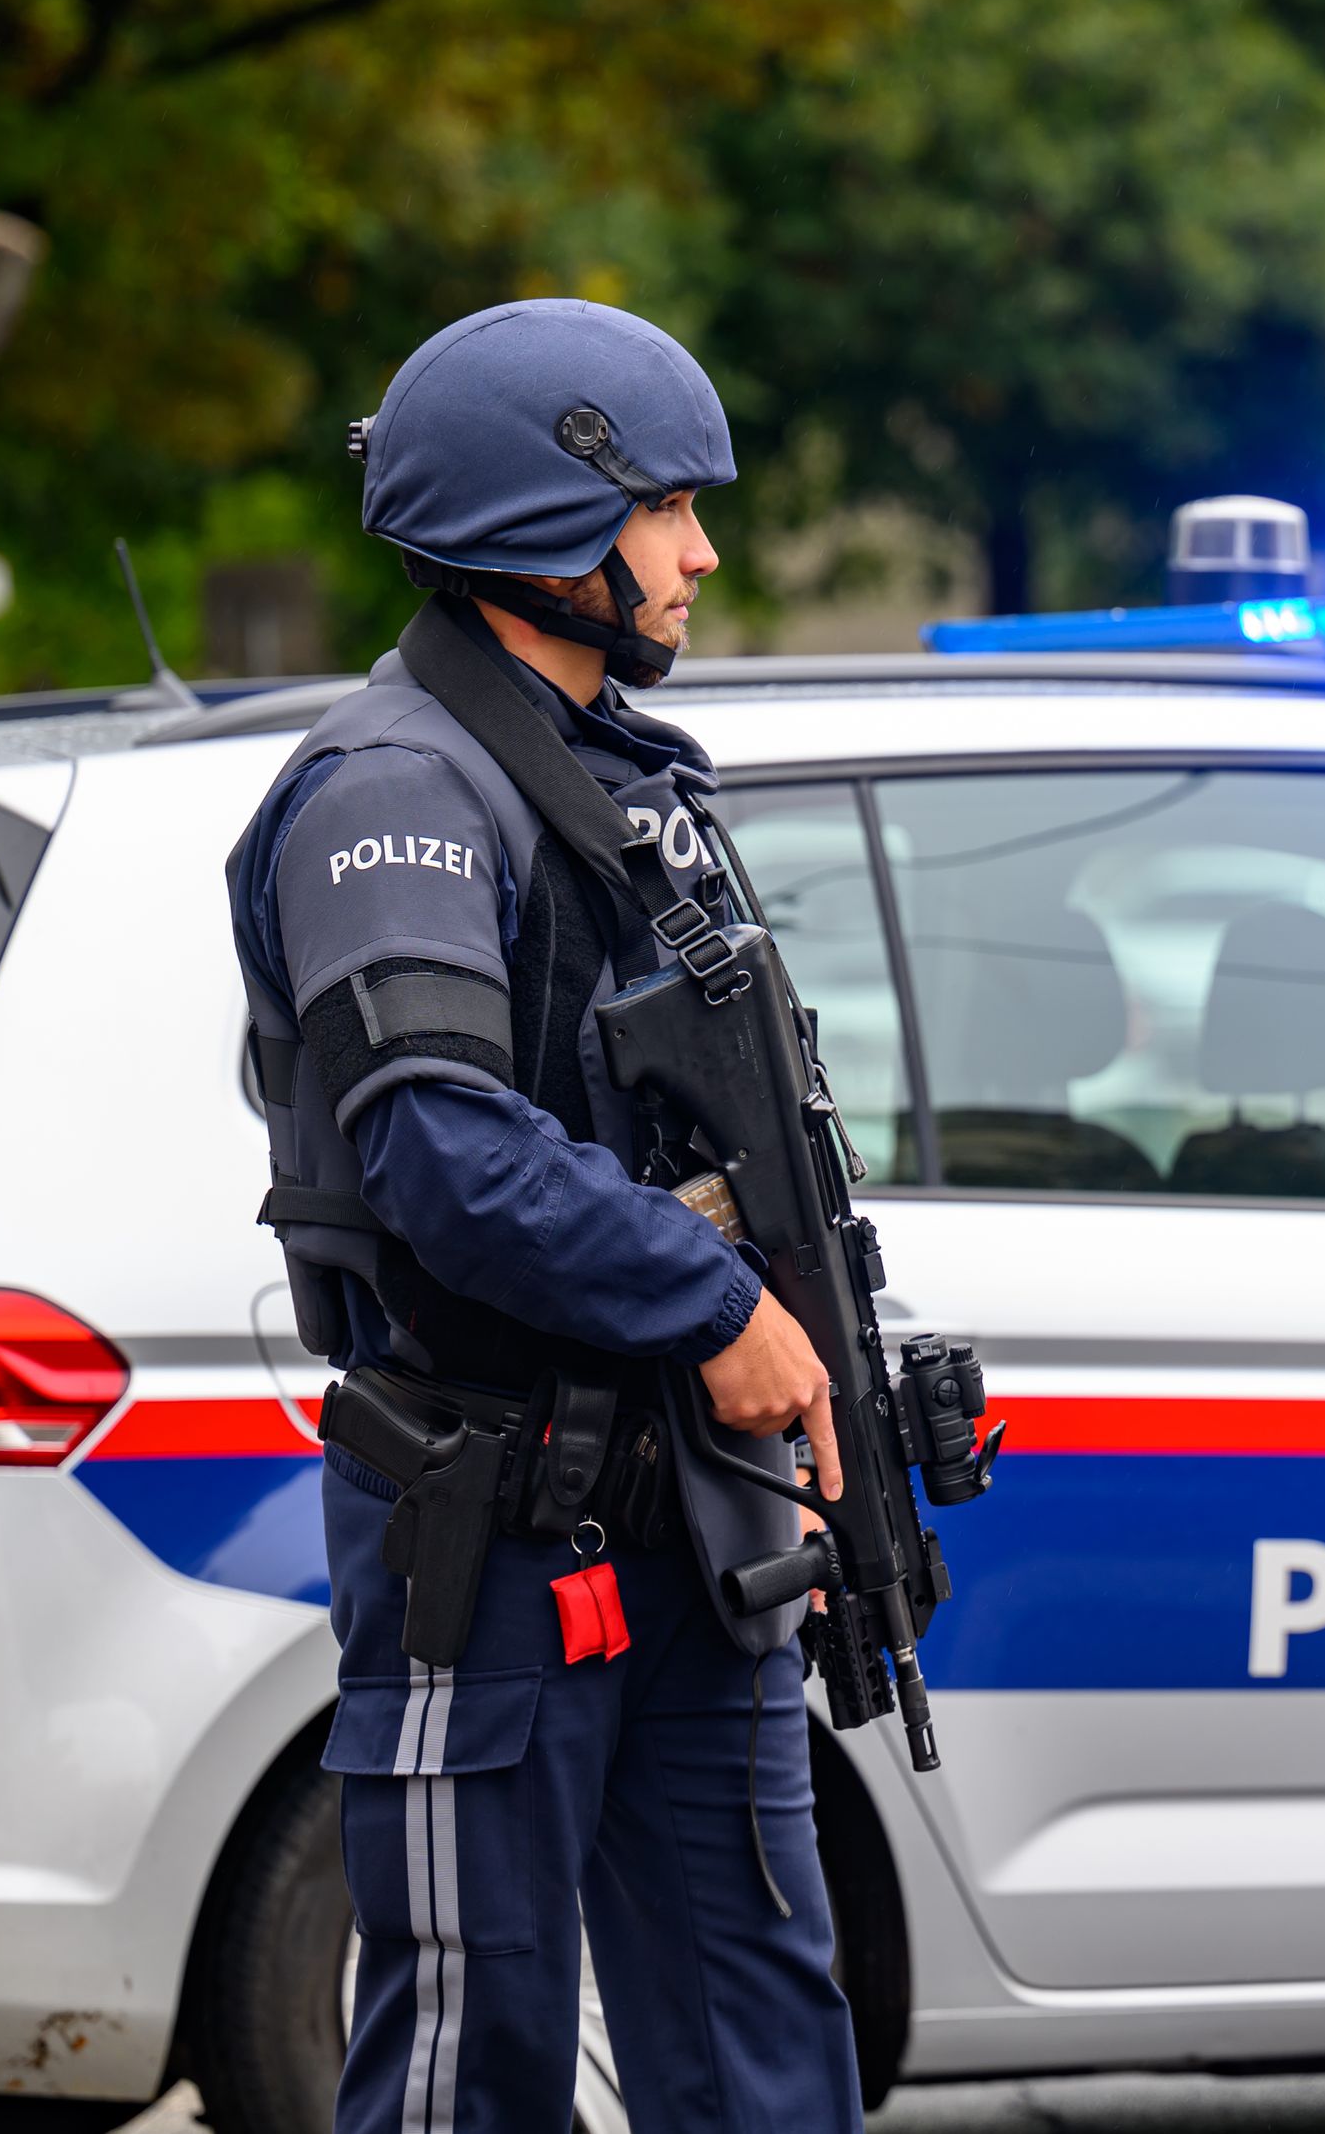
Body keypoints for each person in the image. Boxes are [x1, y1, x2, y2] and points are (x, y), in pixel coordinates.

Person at [224, 298, 865, 2134]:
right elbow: (437, 1144)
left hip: (697, 1533)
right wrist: (723, 1308)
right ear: (540, 523)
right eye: (667, 509)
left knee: (765, 2057)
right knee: (471, 2076)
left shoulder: (633, 791)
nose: (701, 554)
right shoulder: (397, 792)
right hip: (498, 1539)